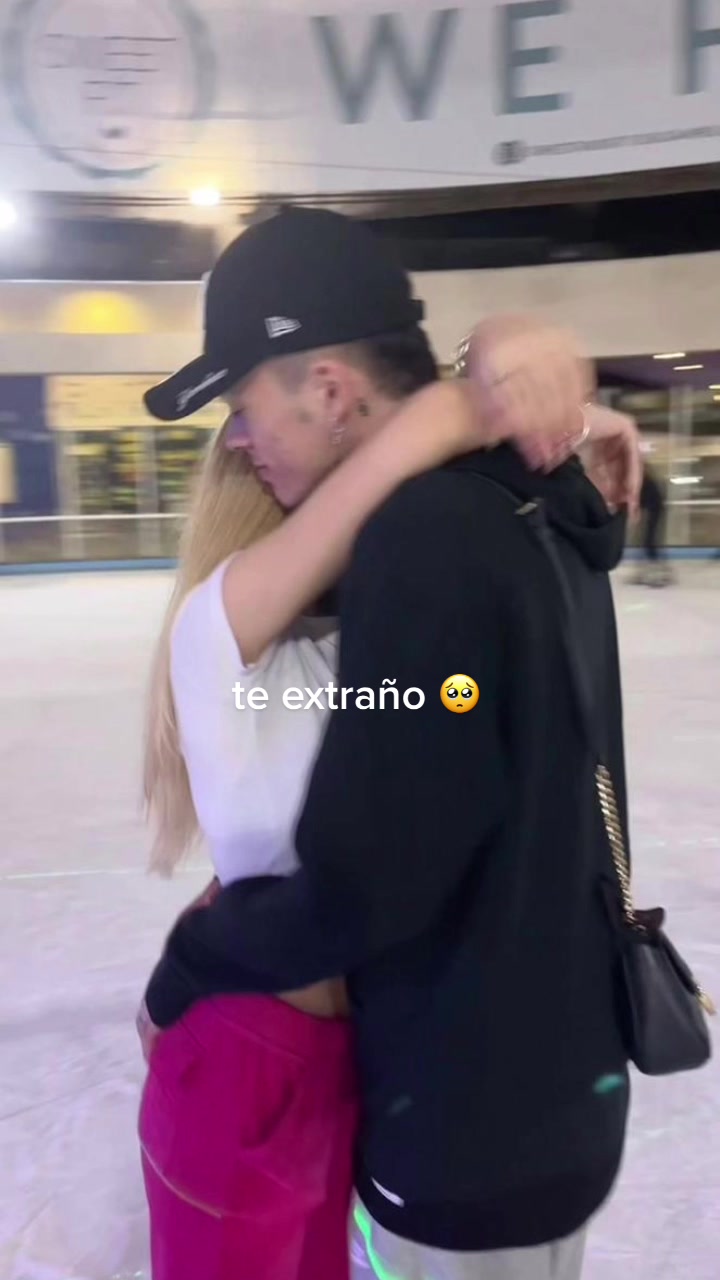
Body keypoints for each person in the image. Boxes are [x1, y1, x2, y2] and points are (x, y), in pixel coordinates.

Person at [140, 205, 639, 1280]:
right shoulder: (531, 505)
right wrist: (495, 378)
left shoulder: (427, 542)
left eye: (242, 405)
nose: (237, 437)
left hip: (459, 1117)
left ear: (327, 389)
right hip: (527, 1087)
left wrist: (192, 959)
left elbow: (371, 878)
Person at [633, 461, 673, 586]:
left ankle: (660, 573)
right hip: (652, 513)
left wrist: (638, 508)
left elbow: (647, 500)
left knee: (649, 542)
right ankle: (650, 572)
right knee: (646, 542)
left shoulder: (647, 482)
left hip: (654, 514)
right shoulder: (646, 482)